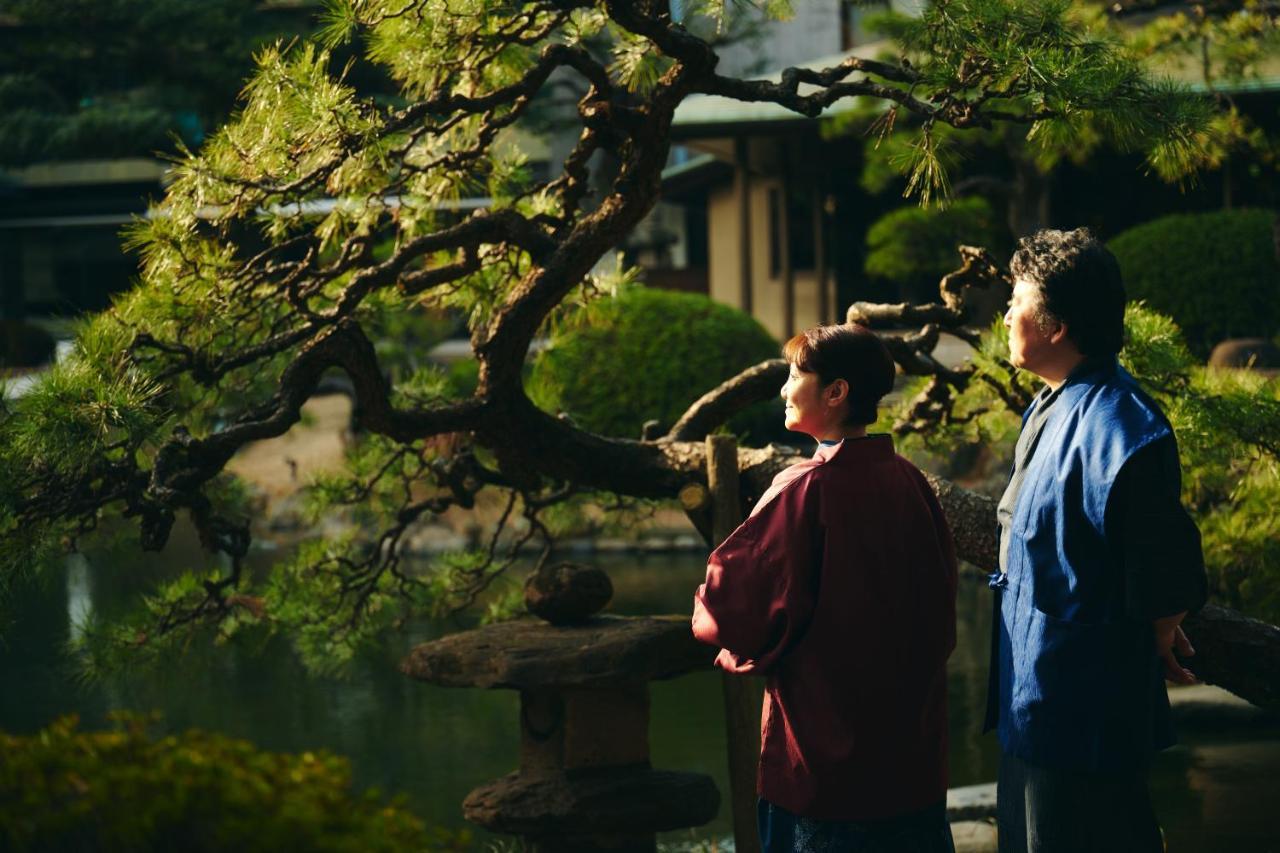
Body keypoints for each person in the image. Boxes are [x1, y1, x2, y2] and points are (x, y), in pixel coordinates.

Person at [691, 323, 959, 853]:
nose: (784, 389)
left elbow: (729, 612)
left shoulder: (803, 488)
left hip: (822, 769)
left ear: (836, 392)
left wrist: (735, 650)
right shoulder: (909, 482)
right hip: (911, 764)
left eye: (795, 375)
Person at [986, 228, 1208, 853]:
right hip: (1035, 698)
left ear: (1057, 325)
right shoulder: (1052, 403)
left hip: (1083, 711)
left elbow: (1167, 561)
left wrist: (1163, 630)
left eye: (1018, 300)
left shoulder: (1121, 423)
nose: (1005, 314)